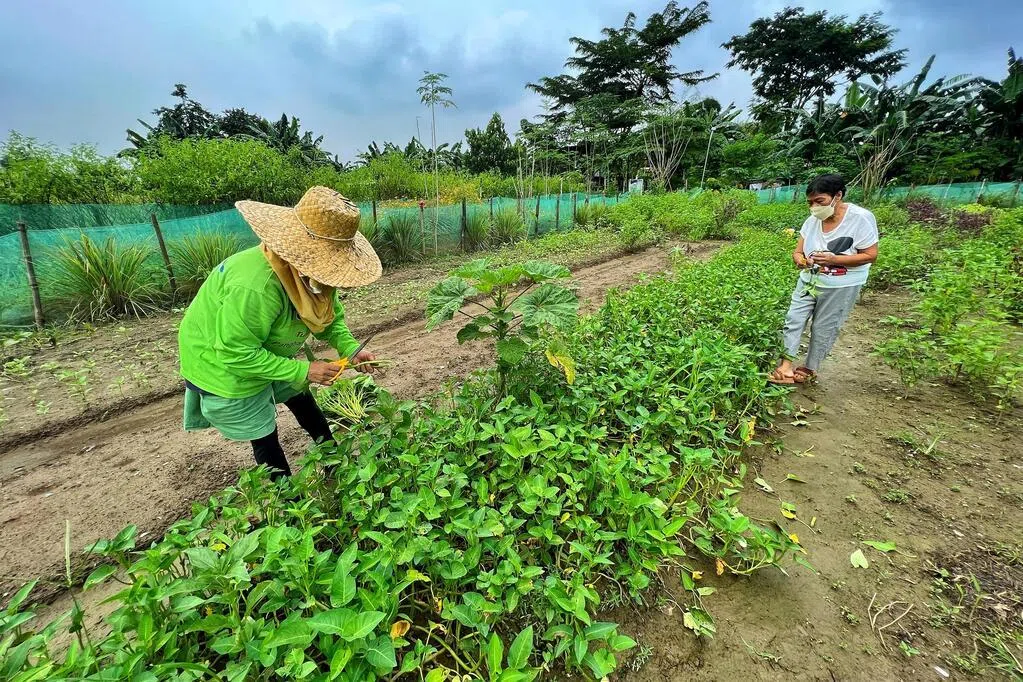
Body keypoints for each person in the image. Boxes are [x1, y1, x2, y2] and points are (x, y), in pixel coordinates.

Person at [177, 186, 382, 479]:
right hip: (221, 357)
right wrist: (304, 369)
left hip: (263, 347)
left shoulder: (316, 277)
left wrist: (351, 348)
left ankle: (333, 460)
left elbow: (330, 318)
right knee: (264, 430)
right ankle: (287, 501)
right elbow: (236, 353)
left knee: (298, 394)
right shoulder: (256, 287)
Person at [769, 174, 879, 385]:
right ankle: (786, 366)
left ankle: (810, 367)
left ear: (837, 196)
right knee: (794, 319)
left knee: (824, 326)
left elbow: (870, 255)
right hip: (810, 279)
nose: (814, 207)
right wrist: (800, 260)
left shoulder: (860, 218)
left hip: (842, 284)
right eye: (810, 203)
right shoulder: (812, 221)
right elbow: (797, 252)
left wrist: (834, 259)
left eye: (819, 201)